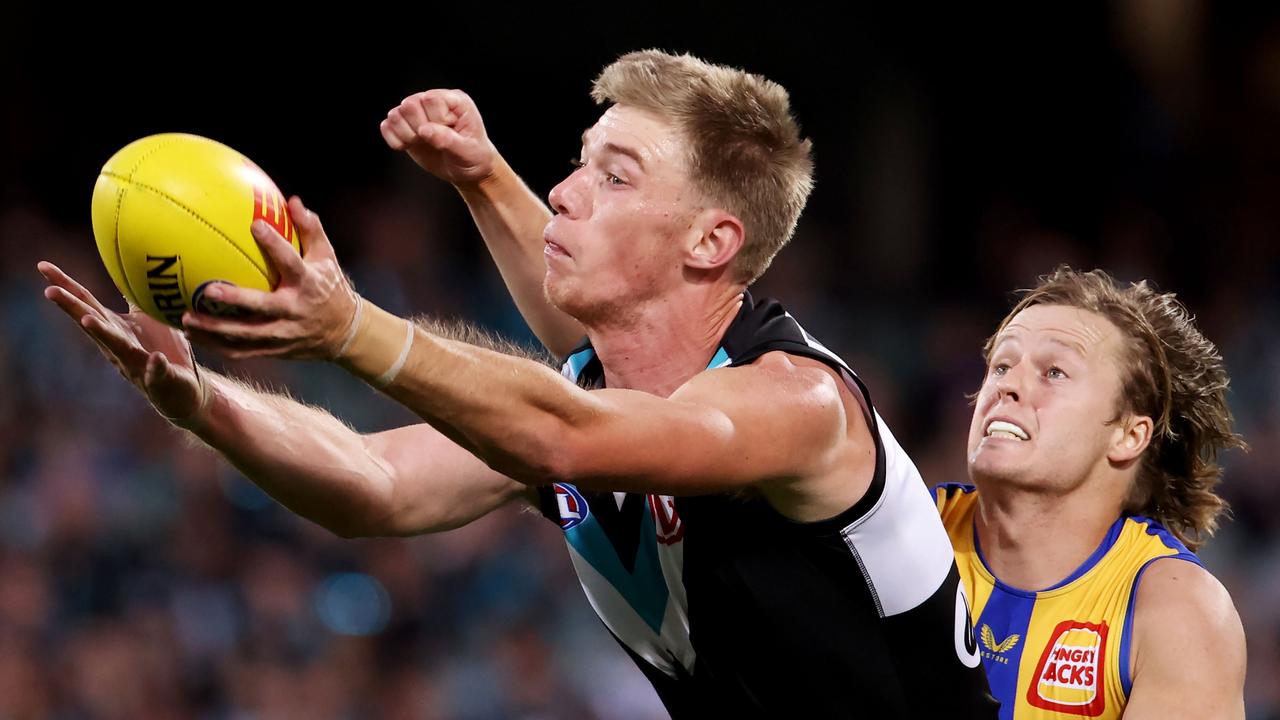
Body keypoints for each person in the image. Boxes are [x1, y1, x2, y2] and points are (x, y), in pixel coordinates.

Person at [40, 51, 998, 717]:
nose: (571, 191)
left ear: (712, 242)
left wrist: (349, 327)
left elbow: (566, 437)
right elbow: (372, 483)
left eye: (614, 178)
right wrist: (199, 397)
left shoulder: (798, 404)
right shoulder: (592, 398)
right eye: (579, 164)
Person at [935, 268, 1247, 719]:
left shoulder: (1178, 615)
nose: (1008, 385)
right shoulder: (897, 530)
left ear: (1128, 435)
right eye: (1001, 366)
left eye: (1054, 372)